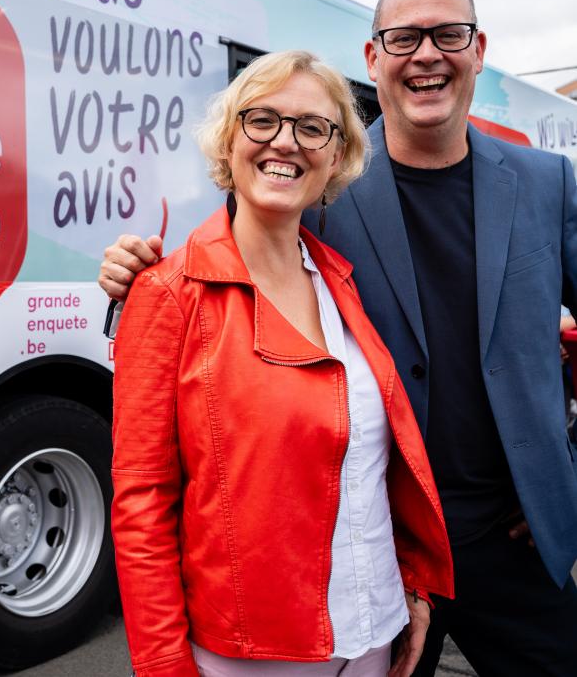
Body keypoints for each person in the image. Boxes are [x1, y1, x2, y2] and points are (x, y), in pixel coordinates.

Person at [100, 0, 577, 676]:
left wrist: (567, 468)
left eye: (448, 35)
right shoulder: (325, 184)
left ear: (478, 50)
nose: (426, 55)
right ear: (374, 57)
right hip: (378, 540)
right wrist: (132, 279)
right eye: (404, 37)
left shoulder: (548, 181)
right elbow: (238, 254)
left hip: (513, 537)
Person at [111, 50, 453, 677]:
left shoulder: (342, 280)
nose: (285, 143)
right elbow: (141, 503)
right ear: (229, 139)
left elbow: (372, 466)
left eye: (313, 127)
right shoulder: (168, 293)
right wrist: (163, 666)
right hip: (256, 654)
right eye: (262, 119)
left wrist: (412, 582)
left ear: (336, 156)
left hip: (376, 629)